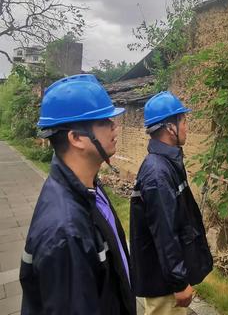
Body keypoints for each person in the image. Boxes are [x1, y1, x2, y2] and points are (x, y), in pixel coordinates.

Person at [20, 74, 136, 315]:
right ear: (76, 138)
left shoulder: (88, 188)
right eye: (104, 121)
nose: (116, 126)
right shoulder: (66, 232)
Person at [130, 91, 213, 315]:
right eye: (184, 122)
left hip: (164, 276)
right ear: (170, 128)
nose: (187, 127)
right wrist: (179, 282)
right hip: (162, 283)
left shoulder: (167, 162)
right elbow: (164, 232)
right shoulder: (158, 173)